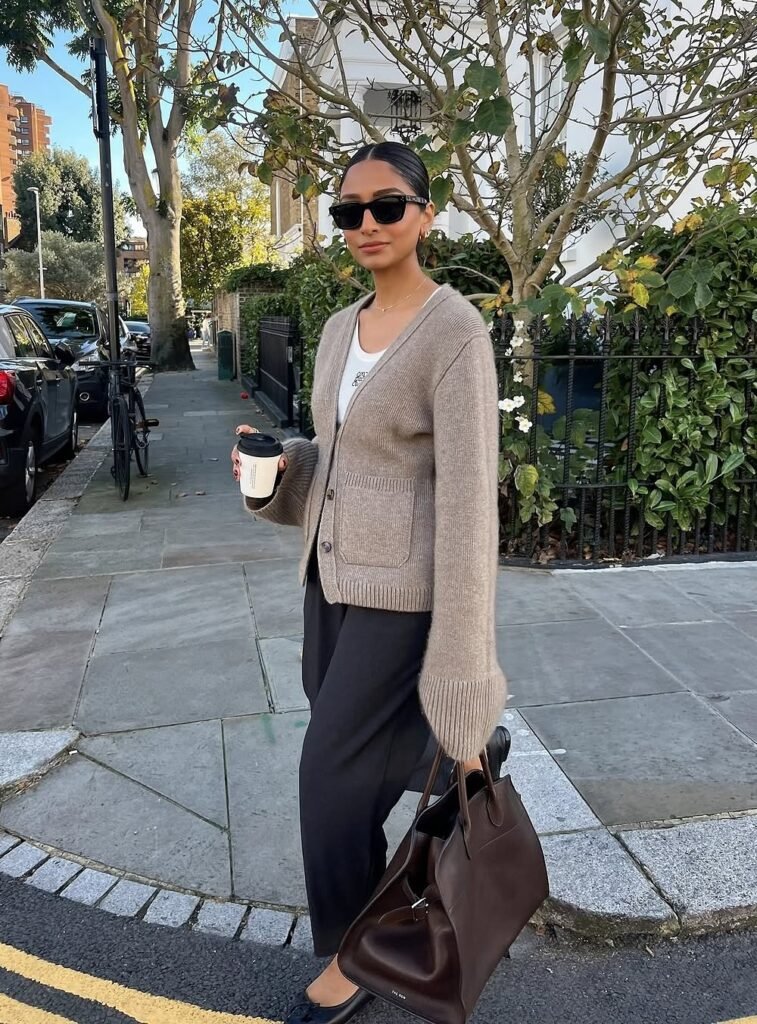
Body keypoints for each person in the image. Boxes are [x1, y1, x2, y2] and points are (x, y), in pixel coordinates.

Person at [231, 141, 508, 1024]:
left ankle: (352, 952)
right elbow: (342, 454)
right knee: (349, 755)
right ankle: (440, 754)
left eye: (386, 206)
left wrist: (462, 674)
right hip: (328, 578)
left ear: (426, 214)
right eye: (348, 211)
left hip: (407, 594)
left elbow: (468, 505)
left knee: (325, 774)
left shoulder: (455, 332)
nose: (366, 225)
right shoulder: (335, 328)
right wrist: (283, 466)